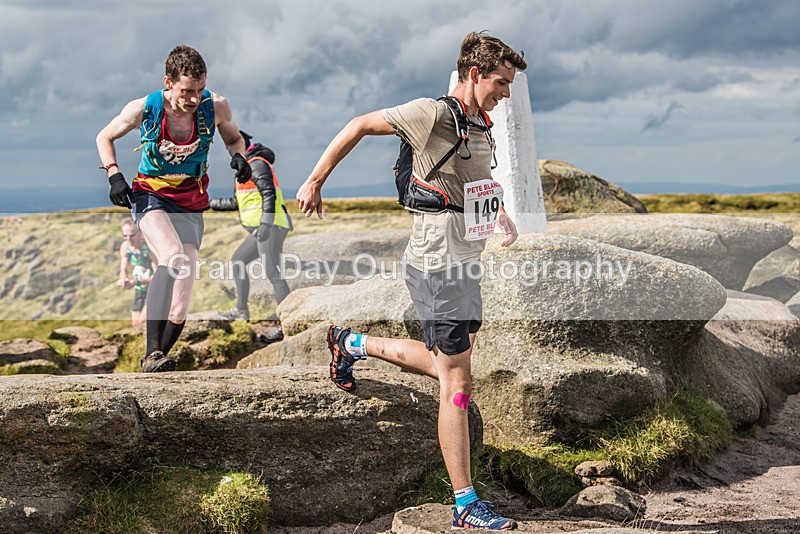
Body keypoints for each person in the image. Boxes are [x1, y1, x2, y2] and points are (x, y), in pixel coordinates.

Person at [296, 32, 526, 530]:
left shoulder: (480, 124)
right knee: (458, 384)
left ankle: (350, 342)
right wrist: (316, 179)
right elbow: (359, 124)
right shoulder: (433, 114)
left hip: (466, 260)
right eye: (501, 83)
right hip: (435, 262)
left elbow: (473, 184)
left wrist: (500, 213)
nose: (506, 93)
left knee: (449, 367)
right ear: (474, 74)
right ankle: (465, 505)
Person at [96, 45, 252, 372]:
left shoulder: (216, 107)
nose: (194, 99)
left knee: (181, 303)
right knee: (171, 256)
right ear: (168, 82)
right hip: (150, 194)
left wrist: (240, 157)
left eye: (199, 90)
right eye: (186, 91)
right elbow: (104, 136)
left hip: (191, 199)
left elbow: (235, 139)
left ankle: (153, 360)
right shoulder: (145, 109)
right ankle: (152, 352)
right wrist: (114, 175)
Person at [210, 131, 292, 335]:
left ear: (242, 144)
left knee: (274, 274)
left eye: (232, 145)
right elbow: (237, 202)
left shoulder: (256, 163)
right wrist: (207, 203)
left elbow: (268, 193)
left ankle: (287, 323)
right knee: (238, 260)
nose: (230, 151)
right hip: (261, 228)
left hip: (270, 226)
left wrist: (265, 223)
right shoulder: (245, 168)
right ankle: (241, 310)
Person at [117, 219, 156, 326]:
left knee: (142, 322)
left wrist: (137, 282)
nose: (128, 239)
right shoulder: (125, 247)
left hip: (154, 289)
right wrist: (123, 279)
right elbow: (123, 269)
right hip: (140, 288)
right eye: (125, 236)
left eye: (132, 235)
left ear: (140, 233)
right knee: (135, 324)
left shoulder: (149, 249)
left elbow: (158, 277)